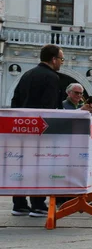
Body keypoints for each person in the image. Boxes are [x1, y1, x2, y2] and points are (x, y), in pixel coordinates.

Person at [10, 44, 64, 217]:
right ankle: (38, 204)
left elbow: (15, 101)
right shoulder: (52, 77)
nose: (62, 63)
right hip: (41, 131)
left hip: (21, 130)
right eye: (61, 59)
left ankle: (19, 204)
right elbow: (49, 109)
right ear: (53, 59)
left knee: (22, 166)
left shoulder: (26, 74)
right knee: (39, 166)